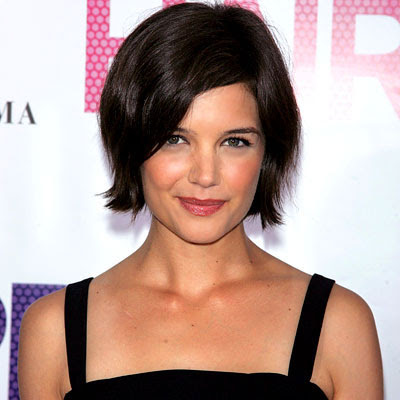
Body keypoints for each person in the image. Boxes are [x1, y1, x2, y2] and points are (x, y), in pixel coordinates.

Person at [18, 3, 383, 399]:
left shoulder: (337, 324)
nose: (205, 175)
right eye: (176, 139)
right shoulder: (55, 331)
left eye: (234, 142)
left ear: (268, 153)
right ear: (131, 143)